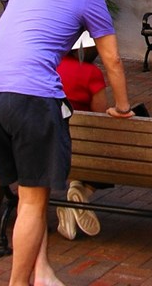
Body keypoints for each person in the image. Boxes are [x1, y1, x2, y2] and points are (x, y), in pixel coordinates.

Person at [0, 0, 134, 286]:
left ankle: (42, 270)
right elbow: (112, 61)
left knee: (27, 192)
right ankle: (18, 284)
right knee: (32, 200)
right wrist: (122, 106)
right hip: (31, 96)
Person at [55, 31, 107, 241]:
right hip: (85, 150)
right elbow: (100, 114)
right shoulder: (91, 73)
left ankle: (71, 204)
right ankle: (81, 191)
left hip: (53, 147)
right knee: (109, 147)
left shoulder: (49, 67)